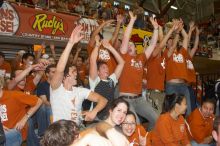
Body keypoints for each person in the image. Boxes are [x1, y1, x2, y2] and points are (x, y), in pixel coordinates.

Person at [50, 25, 107, 126]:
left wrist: (94, 112)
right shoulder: (56, 89)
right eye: (73, 72)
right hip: (61, 131)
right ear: (64, 77)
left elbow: (103, 100)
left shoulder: (80, 91)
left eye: (76, 71)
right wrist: (71, 43)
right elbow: (59, 69)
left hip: (78, 129)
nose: (76, 74)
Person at [118, 11, 159, 130]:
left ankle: (147, 139)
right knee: (137, 126)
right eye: (128, 45)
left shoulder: (141, 57)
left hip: (140, 99)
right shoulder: (124, 56)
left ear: (136, 48)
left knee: (156, 119)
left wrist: (155, 29)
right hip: (126, 99)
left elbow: (152, 45)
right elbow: (126, 37)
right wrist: (131, 21)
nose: (129, 45)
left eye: (132, 45)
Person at [0, 76, 42, 146]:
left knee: (6, 136)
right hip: (3, 131)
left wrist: (24, 119)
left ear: (1, 85)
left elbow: (39, 101)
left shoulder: (13, 95)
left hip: (15, 130)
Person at [89, 39, 124, 120]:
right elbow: (92, 60)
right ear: (98, 72)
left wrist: (110, 47)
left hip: (109, 116)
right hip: (96, 117)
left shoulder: (112, 80)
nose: (107, 69)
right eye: (103, 68)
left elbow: (121, 63)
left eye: (107, 68)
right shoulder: (95, 80)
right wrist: (97, 45)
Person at [164, 19, 192, 116]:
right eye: (169, 41)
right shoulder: (167, 53)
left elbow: (186, 37)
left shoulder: (182, 53)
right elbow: (172, 47)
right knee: (172, 112)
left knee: (188, 111)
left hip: (183, 86)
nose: (171, 42)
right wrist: (176, 33)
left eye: (173, 40)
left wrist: (181, 28)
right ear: (166, 44)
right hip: (172, 86)